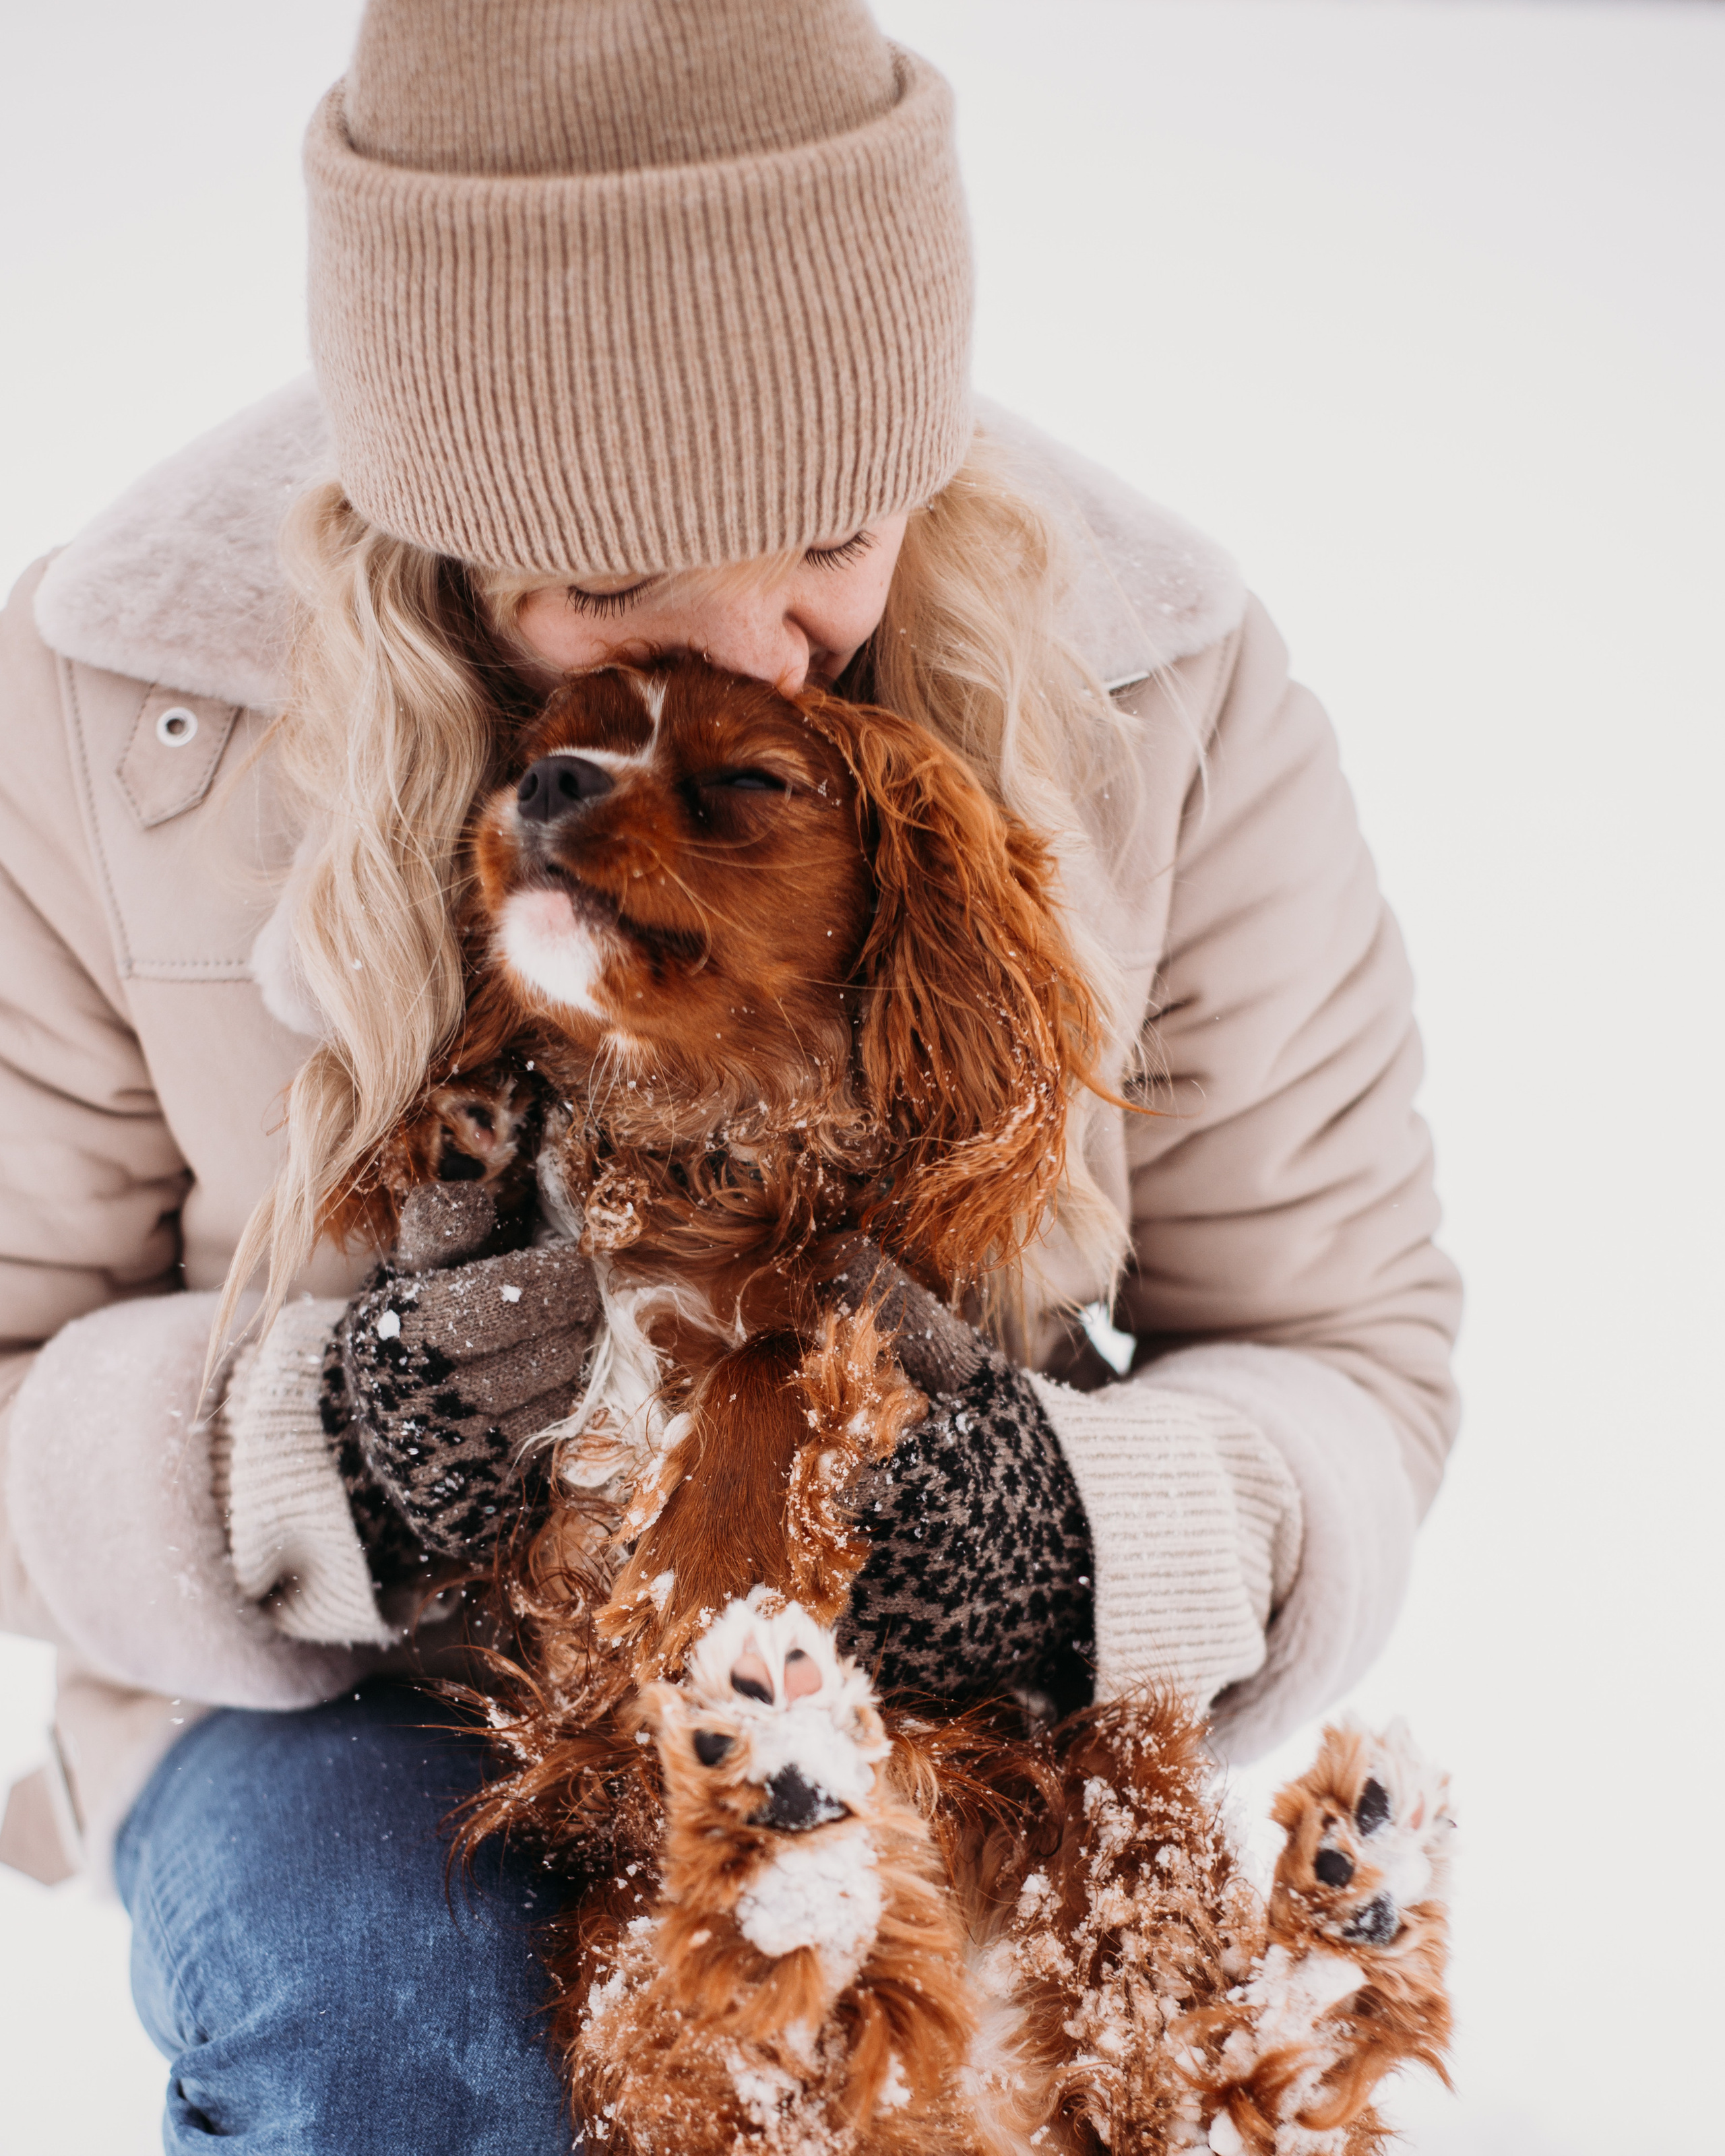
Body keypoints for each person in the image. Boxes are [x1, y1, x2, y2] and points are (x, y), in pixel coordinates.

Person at [0, 1, 1460, 2148]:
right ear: (440, 508)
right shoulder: (117, 707)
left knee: (935, 2057)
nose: (762, 649)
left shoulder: (1168, 688)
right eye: (605, 584)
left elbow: (1346, 1341)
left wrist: (1085, 1535)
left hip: (926, 1689)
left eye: (833, 534)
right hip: (341, 1707)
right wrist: (306, 1460)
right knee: (391, 2032)